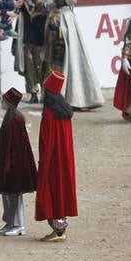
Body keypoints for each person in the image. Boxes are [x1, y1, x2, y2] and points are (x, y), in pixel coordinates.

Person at [42, 0, 104, 110]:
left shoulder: (62, 14)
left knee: (55, 76)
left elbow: (57, 34)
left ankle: (57, 99)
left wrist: (53, 29)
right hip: (59, 51)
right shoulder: (66, 14)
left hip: (58, 53)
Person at [35, 70, 77, 242]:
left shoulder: (49, 115)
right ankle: (60, 225)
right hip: (65, 160)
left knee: (51, 192)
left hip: (52, 161)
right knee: (62, 191)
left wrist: (43, 164)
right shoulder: (64, 113)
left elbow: (47, 141)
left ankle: (58, 229)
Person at [0, 87, 37, 236]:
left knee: (15, 194)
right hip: (7, 162)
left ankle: (19, 225)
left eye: (4, 100)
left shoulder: (16, 120)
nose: (1, 102)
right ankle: (10, 222)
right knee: (8, 194)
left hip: (15, 164)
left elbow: (16, 145)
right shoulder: (10, 117)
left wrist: (9, 164)